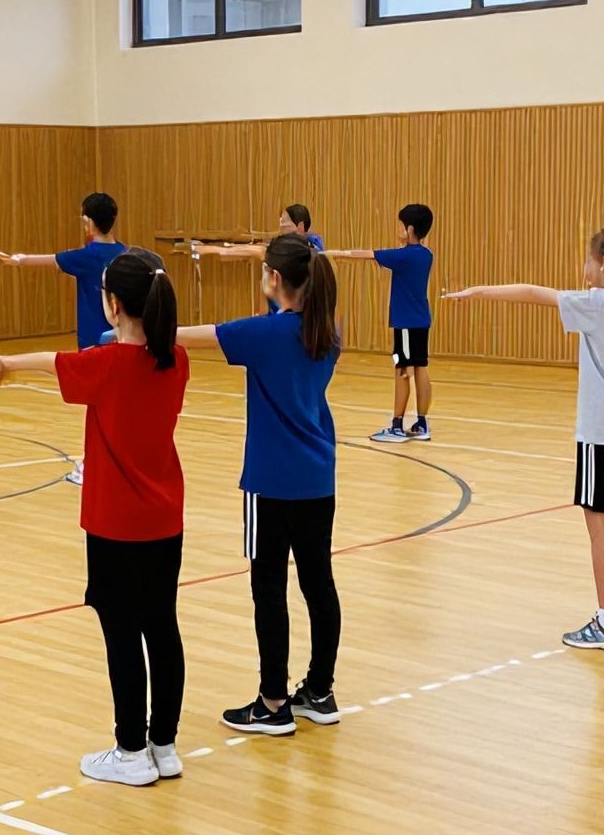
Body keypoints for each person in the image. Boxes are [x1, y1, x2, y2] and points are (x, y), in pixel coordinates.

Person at [0, 249, 188, 786]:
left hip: (116, 524)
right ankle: (163, 745)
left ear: (113, 306)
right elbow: (66, 359)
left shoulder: (106, 365)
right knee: (161, 627)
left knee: (122, 633)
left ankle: (130, 750)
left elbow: (55, 361)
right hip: (165, 519)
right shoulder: (176, 360)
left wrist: (6, 364)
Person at [445, 224, 604, 652]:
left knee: (600, 526)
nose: (584, 266)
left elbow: (532, 292)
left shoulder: (598, 304)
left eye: (588, 258)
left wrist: (479, 292)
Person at [176, 235, 344, 735]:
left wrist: (120, 333)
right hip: (317, 478)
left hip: (270, 481)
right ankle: (320, 690)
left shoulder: (263, 334)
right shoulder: (326, 331)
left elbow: (183, 335)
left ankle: (273, 702)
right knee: (318, 582)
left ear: (273, 277)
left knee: (268, 587)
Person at [0, 192, 127, 486]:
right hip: (123, 339)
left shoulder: (87, 256)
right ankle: (107, 462)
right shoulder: (124, 252)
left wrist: (17, 260)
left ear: (88, 222)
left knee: (98, 408)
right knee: (113, 406)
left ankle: (93, 465)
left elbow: (49, 260)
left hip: (95, 342)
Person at [328, 203, 436, 442]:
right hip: (421, 322)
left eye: (400, 225)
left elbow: (365, 255)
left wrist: (334, 253)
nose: (397, 229)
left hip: (405, 324)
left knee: (401, 370)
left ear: (409, 229)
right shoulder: (426, 255)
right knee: (420, 367)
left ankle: (397, 426)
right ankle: (421, 424)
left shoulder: (402, 256)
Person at [190, 203, 325, 312]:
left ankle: (205, 250)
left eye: (285, 221)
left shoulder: (308, 248)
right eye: (281, 220)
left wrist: (216, 250)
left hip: (298, 308)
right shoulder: (302, 244)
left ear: (300, 226)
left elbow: (262, 251)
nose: (281, 224)